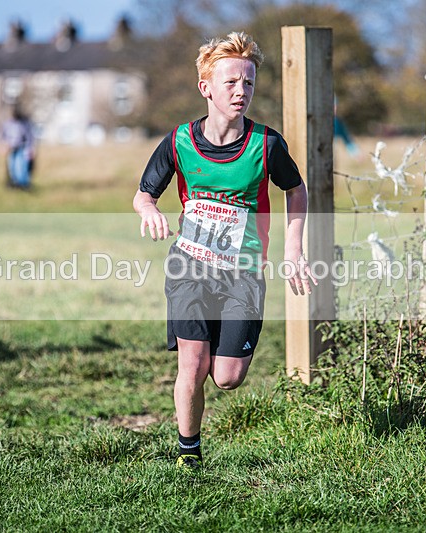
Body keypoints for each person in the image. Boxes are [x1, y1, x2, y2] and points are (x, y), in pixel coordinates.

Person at [133, 31, 316, 470]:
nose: (241, 91)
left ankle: (218, 342)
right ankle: (189, 454)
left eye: (248, 82)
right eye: (231, 82)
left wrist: (293, 249)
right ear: (206, 88)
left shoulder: (266, 145)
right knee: (192, 365)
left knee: (228, 377)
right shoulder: (179, 142)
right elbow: (143, 194)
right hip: (189, 267)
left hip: (243, 272)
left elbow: (296, 189)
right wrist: (150, 211)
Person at [1, 106, 35, 190]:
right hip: (11, 149)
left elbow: (29, 137)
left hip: (21, 148)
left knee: (21, 167)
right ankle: (15, 183)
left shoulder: (24, 123)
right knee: (12, 167)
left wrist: (30, 149)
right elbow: (3, 136)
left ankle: (23, 184)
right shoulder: (8, 123)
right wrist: (4, 145)